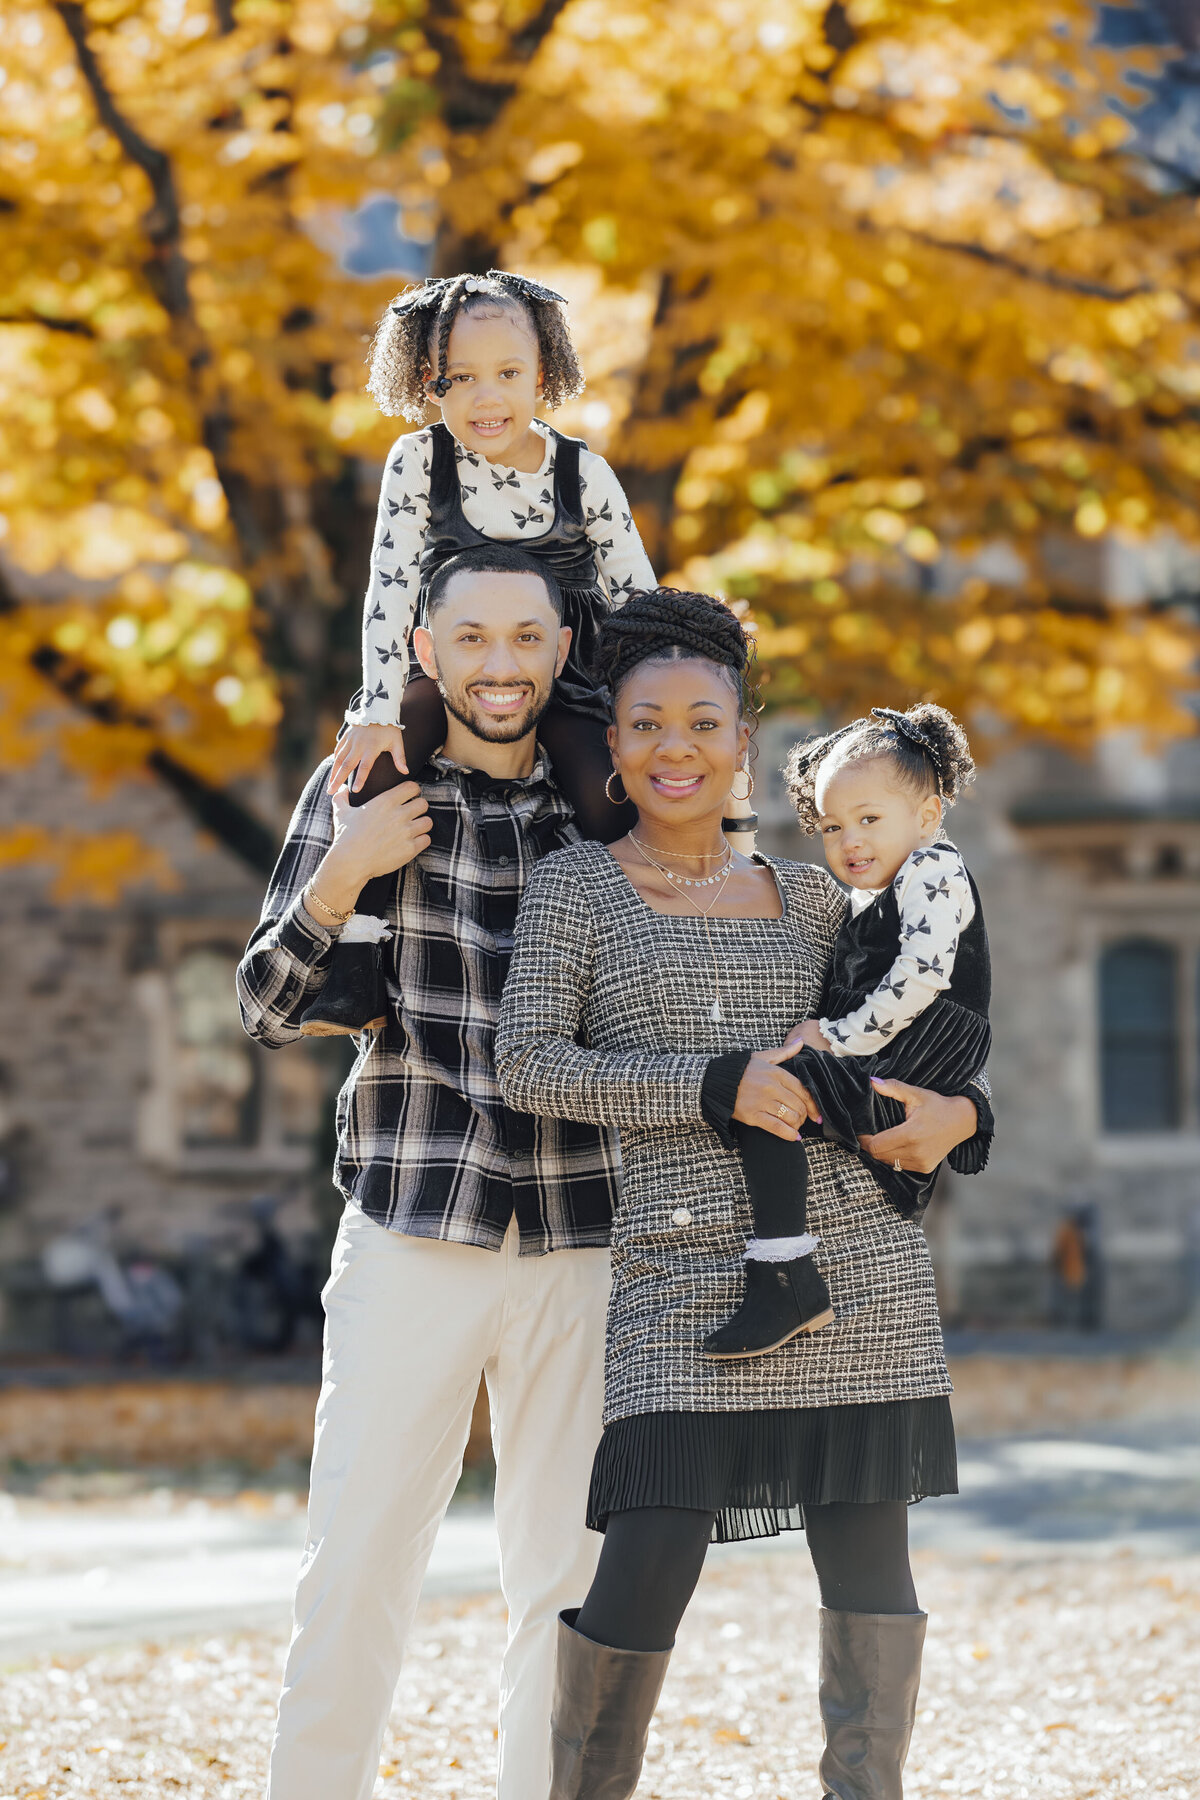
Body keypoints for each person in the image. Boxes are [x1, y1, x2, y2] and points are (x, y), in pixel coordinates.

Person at [495, 587, 993, 1800]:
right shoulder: (575, 892)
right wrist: (713, 1082)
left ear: (744, 742)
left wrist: (969, 1121)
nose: (678, 747)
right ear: (612, 744)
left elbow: (928, 1036)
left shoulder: (823, 896)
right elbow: (528, 1066)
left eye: (704, 721)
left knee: (873, 1581)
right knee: (643, 1567)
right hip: (682, 1288)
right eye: (649, 723)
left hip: (861, 1280)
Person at [235, 545, 622, 1800]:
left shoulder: (603, 811)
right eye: (471, 639)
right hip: (414, 1224)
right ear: (422, 649)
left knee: (566, 1582)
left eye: (525, 639)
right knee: (357, 1561)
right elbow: (264, 1003)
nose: (499, 665)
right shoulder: (369, 784)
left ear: (562, 649)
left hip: (582, 1236)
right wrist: (347, 867)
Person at [298, 268, 657, 1038]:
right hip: (448, 672)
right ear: (427, 381)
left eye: (508, 374)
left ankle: (632, 973)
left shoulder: (581, 473)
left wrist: (657, 711)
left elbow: (638, 604)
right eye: (459, 378)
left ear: (545, 374)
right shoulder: (417, 463)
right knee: (375, 765)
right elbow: (389, 589)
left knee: (608, 799)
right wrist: (376, 707)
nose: (486, 398)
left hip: (560, 677)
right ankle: (358, 961)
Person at [703, 703, 993, 1360]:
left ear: (926, 818)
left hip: (924, 1043)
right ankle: (792, 1270)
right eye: (832, 826)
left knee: (778, 1092)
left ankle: (786, 1277)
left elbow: (922, 978)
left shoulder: (933, 869)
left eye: (868, 820)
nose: (849, 841)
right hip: (901, 1046)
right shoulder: (868, 898)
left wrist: (835, 1036)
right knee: (780, 1095)